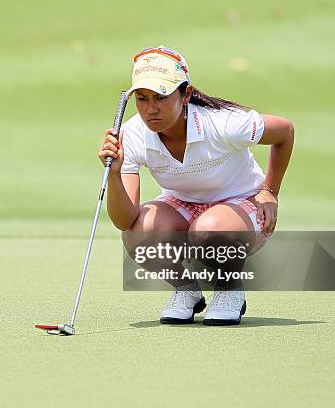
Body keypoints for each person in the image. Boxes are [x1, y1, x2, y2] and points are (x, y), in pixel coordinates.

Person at [98, 46, 294, 325]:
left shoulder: (222, 123)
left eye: (161, 97)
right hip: (183, 206)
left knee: (209, 229)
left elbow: (285, 131)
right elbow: (124, 220)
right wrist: (114, 174)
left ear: (186, 94)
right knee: (138, 234)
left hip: (243, 209)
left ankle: (229, 289)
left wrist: (269, 192)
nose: (150, 109)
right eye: (142, 99)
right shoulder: (131, 134)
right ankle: (186, 290)